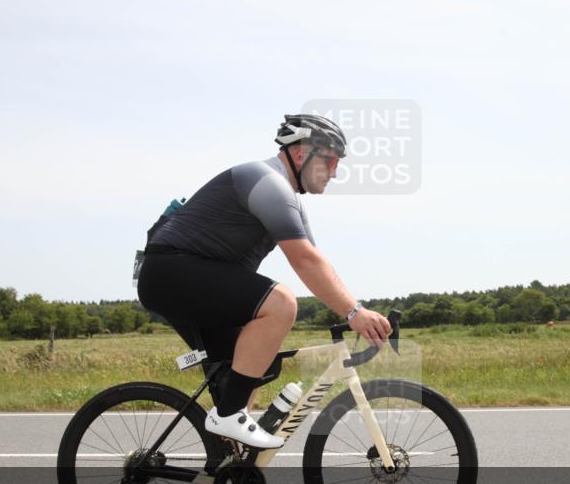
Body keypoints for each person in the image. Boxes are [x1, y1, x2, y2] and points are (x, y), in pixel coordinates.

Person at [137, 114, 392, 449]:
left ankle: (229, 464)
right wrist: (354, 312)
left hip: (185, 279)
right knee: (281, 303)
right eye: (330, 161)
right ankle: (229, 415)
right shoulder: (267, 182)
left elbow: (318, 264)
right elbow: (304, 260)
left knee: (256, 362)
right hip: (170, 274)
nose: (334, 172)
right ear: (301, 154)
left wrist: (353, 307)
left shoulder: (288, 197)